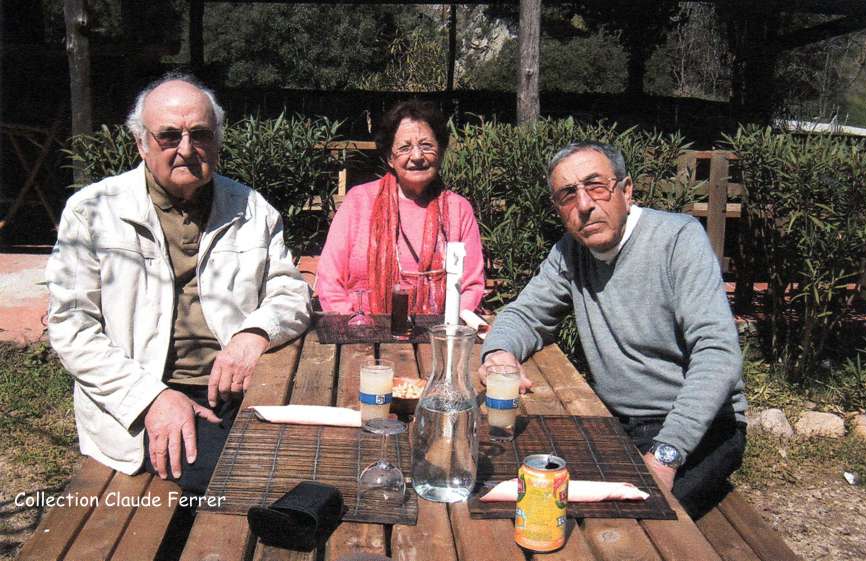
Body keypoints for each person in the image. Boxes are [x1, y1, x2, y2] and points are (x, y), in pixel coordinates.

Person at [46, 73, 312, 493]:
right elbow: (70, 327)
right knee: (246, 483)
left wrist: (254, 334)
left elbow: (290, 289)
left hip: (242, 385)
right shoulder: (92, 211)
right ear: (141, 143)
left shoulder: (251, 207)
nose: (186, 149)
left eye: (200, 134)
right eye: (169, 136)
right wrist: (150, 397)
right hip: (145, 393)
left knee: (325, 453)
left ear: (218, 142)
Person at [479, 141, 747, 519]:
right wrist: (500, 355)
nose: (585, 205)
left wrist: (666, 455)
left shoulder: (677, 240)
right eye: (568, 194)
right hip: (616, 422)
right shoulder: (571, 252)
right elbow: (524, 314)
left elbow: (717, 355)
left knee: (625, 526)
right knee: (515, 479)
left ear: (626, 189)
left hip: (699, 428)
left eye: (597, 186)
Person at [316, 100, 485, 316]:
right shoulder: (358, 202)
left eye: (426, 146)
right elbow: (330, 279)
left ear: (441, 152)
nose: (417, 156)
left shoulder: (458, 209)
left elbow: (470, 286)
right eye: (405, 147)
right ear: (390, 158)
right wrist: (357, 329)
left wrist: (444, 331)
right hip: (360, 335)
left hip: (436, 337)